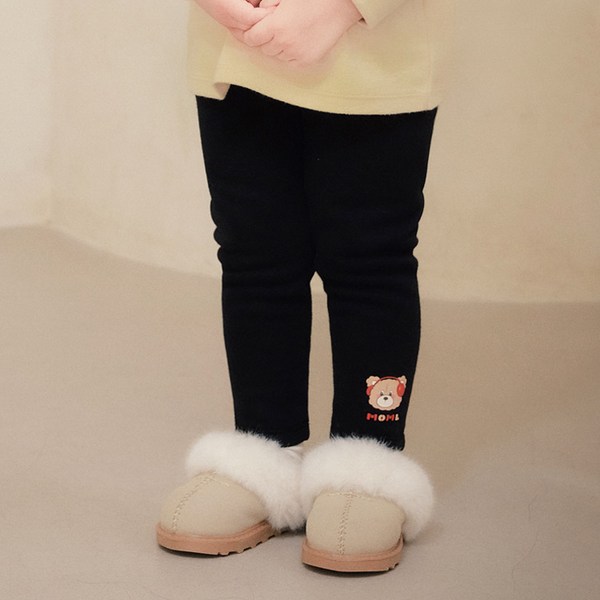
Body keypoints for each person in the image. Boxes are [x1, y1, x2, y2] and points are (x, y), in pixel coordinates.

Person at [156, 0, 454, 573]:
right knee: (255, 253)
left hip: (376, 53)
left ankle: (366, 457)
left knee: (369, 259)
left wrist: (344, 8)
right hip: (235, 43)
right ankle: (262, 446)